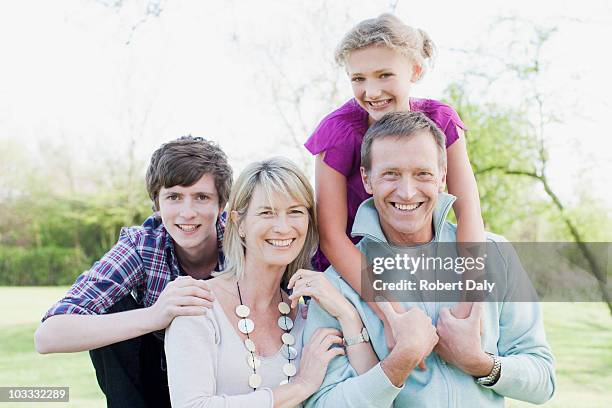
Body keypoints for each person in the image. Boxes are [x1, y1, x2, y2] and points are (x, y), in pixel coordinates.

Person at [302, 111, 556, 407]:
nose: (407, 192)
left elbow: (543, 381)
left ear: (442, 178)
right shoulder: (339, 285)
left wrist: (479, 362)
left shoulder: (495, 254)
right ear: (366, 179)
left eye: (422, 173)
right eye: (390, 174)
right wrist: (399, 363)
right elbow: (322, 403)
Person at [305, 13, 484, 321]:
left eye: (384, 75)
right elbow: (332, 236)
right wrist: (392, 314)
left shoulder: (440, 121)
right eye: (358, 79)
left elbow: (468, 211)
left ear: (414, 70)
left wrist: (469, 307)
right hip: (357, 273)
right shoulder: (338, 132)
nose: (371, 92)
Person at [34, 136, 233, 408]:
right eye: (174, 197)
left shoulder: (243, 241)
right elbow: (48, 335)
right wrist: (156, 315)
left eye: (201, 197)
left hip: (229, 379)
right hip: (155, 384)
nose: (187, 213)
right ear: (157, 204)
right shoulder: (142, 245)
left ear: (221, 205)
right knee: (110, 308)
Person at [164, 157, 378, 408]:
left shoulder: (307, 313)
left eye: (295, 212)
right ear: (239, 223)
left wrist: (347, 314)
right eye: (267, 213)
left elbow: (372, 393)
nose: (283, 227)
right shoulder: (198, 305)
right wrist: (301, 385)